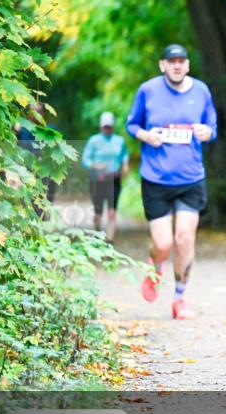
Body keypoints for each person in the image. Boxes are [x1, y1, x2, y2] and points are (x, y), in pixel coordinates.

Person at [126, 44, 217, 320]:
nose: (177, 66)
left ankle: (179, 298)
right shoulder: (148, 90)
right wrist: (146, 136)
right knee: (164, 243)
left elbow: (211, 128)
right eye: (171, 61)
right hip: (156, 177)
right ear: (162, 65)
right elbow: (131, 125)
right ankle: (155, 265)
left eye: (181, 61)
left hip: (190, 177)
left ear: (188, 65)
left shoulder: (201, 91)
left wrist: (206, 132)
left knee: (185, 237)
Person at [81, 111, 129, 241]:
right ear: (101, 126)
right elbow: (85, 160)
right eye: (105, 126)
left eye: (109, 126)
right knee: (98, 212)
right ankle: (97, 235)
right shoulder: (94, 141)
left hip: (113, 179)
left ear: (113, 126)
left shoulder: (119, 141)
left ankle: (110, 241)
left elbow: (125, 154)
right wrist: (95, 165)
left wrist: (125, 164)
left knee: (112, 211)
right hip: (97, 180)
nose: (107, 129)